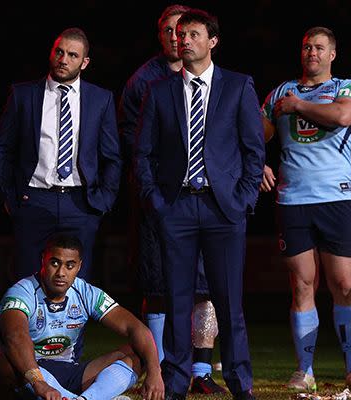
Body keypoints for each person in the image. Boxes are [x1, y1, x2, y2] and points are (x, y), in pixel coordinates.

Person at [135, 9, 264, 400]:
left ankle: (241, 384)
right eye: (180, 34)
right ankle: (175, 383)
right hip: (177, 208)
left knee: (229, 303)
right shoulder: (159, 91)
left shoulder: (239, 86)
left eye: (193, 34)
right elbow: (143, 154)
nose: (183, 40)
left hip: (223, 208)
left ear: (212, 41)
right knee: (177, 301)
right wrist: (157, 202)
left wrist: (242, 199)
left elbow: (253, 151)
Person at [260, 26, 351, 392]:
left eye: (319, 47)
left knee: (344, 284)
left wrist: (299, 107)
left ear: (332, 54)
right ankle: (304, 370)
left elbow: (343, 116)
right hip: (293, 200)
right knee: (302, 285)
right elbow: (254, 133)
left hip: (336, 197)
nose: (312, 52)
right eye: (307, 46)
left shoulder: (345, 87)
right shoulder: (279, 91)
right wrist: (256, 163)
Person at [118, 4, 223, 395]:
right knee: (159, 285)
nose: (178, 36)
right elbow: (131, 139)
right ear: (160, 35)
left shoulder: (216, 80)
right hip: (162, 200)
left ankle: (201, 368)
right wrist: (153, 190)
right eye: (169, 30)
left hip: (207, 199)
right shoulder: (145, 81)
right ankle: (158, 366)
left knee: (205, 284)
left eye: (185, 30)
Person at [0, 27, 121, 283]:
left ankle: (72, 325)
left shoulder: (100, 99)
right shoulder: (23, 94)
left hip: (81, 203)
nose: (63, 60)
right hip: (34, 200)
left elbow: (112, 157)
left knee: (77, 285)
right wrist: (9, 196)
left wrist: (103, 201)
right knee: (28, 281)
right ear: (51, 53)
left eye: (72, 55)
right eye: (59, 52)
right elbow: (1, 148)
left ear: (84, 62)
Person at [0, 233, 165, 400]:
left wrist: (155, 372)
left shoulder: (85, 292)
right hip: (33, 373)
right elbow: (15, 336)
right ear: (43, 260)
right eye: (55, 263)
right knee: (7, 364)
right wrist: (39, 382)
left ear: (79, 266)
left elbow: (135, 327)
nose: (61, 272)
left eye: (69, 265)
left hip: (71, 372)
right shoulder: (22, 292)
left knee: (139, 352)